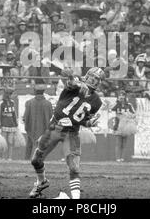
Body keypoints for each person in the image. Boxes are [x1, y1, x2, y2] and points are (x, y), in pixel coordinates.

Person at [29, 67, 104, 199]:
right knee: (35, 160)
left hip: (72, 133)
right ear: (87, 76)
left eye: (98, 79)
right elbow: (71, 83)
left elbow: (83, 119)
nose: (95, 80)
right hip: (55, 127)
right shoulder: (77, 86)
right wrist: (70, 77)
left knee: (74, 168)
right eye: (93, 77)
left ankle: (76, 199)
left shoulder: (97, 102)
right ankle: (41, 181)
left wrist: (89, 123)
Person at [23, 84, 53, 161]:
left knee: (29, 145)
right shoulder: (48, 104)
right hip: (44, 129)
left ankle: (26, 160)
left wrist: (27, 126)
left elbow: (25, 117)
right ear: (43, 92)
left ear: (35, 91)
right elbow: (51, 117)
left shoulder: (29, 103)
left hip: (31, 128)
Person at [111, 90, 136, 162]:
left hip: (126, 126)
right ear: (118, 97)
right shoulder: (116, 104)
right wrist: (117, 102)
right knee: (118, 143)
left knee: (124, 143)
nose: (121, 96)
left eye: (123, 95)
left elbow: (134, 114)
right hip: (118, 125)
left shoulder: (129, 105)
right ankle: (118, 158)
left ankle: (122, 158)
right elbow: (111, 109)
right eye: (120, 95)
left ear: (125, 96)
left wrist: (128, 114)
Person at [0, 88, 18, 161]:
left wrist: (16, 123)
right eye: (8, 94)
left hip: (12, 125)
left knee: (10, 142)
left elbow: (14, 114)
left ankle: (10, 157)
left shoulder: (12, 102)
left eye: (11, 94)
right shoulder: (1, 103)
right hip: (4, 125)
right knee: (3, 142)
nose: (10, 95)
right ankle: (2, 157)